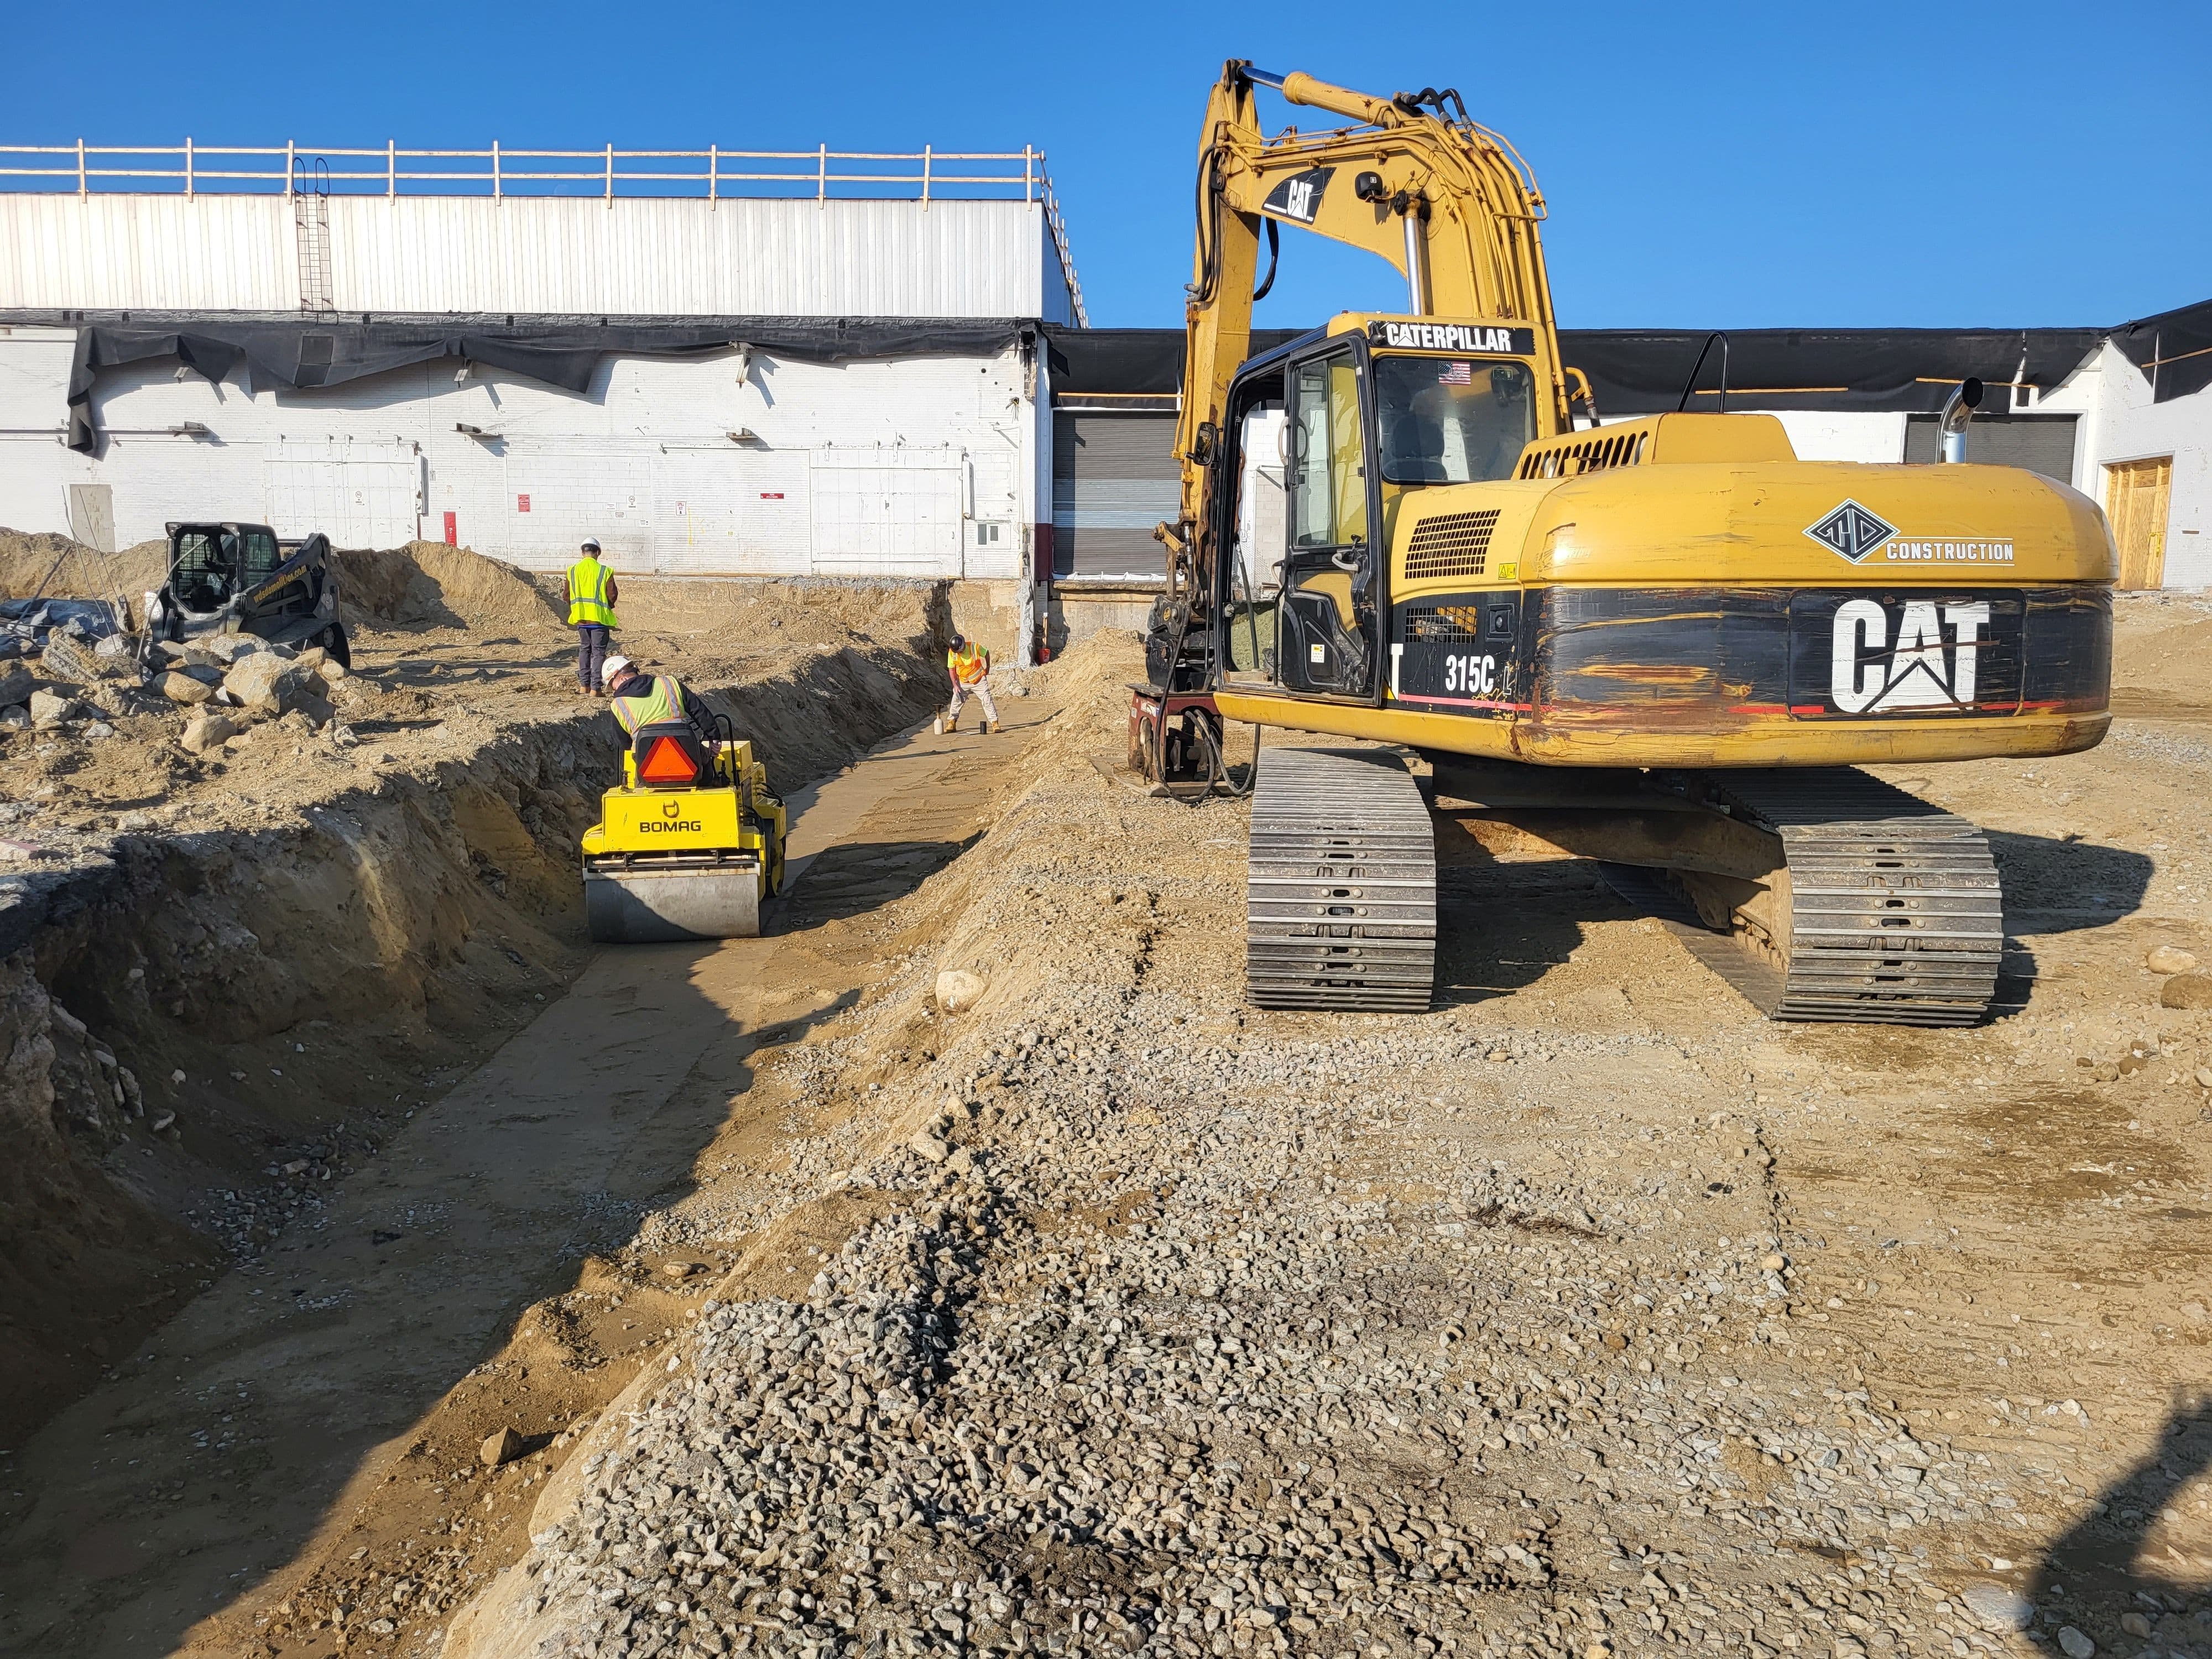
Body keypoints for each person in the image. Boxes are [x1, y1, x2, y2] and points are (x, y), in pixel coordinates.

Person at [602, 655, 711, 742]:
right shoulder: (669, 683)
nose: (615, 690)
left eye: (613, 686)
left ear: (623, 679)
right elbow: (699, 711)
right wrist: (714, 738)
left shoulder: (618, 704)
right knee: (704, 763)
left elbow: (624, 743)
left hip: (646, 759)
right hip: (684, 747)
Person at [566, 538, 620, 696]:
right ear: (598, 553)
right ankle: (596, 688)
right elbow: (612, 595)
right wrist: (606, 606)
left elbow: (567, 595)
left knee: (585, 649)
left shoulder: (573, 571)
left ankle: (584, 686)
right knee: (598, 652)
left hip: (581, 619)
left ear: (583, 553)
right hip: (598, 620)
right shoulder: (605, 571)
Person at [941, 632, 999, 734]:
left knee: (987, 699)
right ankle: (952, 722)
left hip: (979, 680)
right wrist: (955, 685)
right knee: (957, 700)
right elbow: (952, 669)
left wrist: (988, 667)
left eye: (961, 650)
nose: (960, 652)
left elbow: (986, 653)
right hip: (963, 681)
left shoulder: (974, 647)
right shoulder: (953, 653)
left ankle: (995, 723)